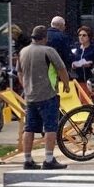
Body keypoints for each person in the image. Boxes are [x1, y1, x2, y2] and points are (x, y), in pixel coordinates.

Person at [16, 25, 70, 171]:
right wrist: (66, 84)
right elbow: (61, 68)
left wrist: (26, 86)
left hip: (30, 96)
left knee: (29, 128)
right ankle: (48, 159)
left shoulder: (23, 51)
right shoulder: (48, 51)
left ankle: (27, 160)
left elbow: (19, 72)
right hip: (47, 95)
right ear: (45, 38)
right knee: (51, 127)